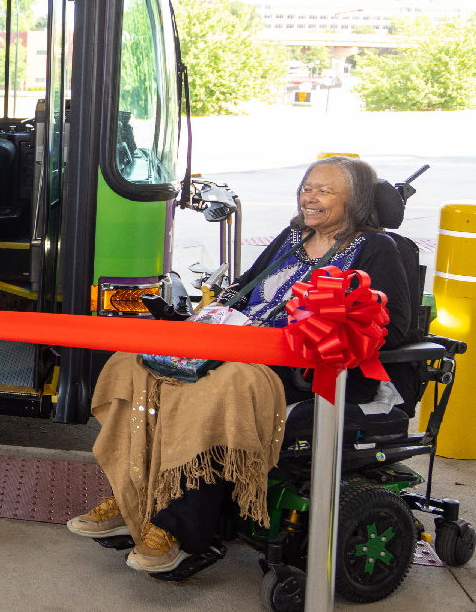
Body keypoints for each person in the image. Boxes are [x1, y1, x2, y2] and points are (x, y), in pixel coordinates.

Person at [68, 156, 413, 574]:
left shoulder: (378, 249)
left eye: (325, 190)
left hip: (305, 370)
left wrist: (325, 326)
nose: (310, 196)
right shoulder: (292, 237)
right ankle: (131, 495)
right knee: (133, 365)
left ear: (355, 200)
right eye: (307, 186)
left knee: (210, 391)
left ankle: (177, 529)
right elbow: (245, 289)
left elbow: (393, 328)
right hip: (242, 343)